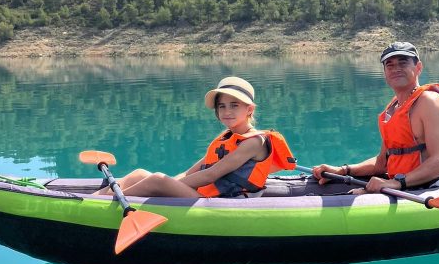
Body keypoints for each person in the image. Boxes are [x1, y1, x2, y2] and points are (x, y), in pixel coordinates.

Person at [95, 76, 295, 199]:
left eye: (235, 105)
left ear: (249, 109)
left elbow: (210, 175)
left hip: (227, 202)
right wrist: (170, 185)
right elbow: (192, 171)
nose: (227, 111)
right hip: (207, 194)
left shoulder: (254, 142)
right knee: (140, 174)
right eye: (222, 106)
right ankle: (93, 200)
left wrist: (164, 186)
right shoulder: (227, 137)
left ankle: (104, 206)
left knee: (157, 179)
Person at [313, 41, 439, 193]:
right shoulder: (393, 109)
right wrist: (344, 170)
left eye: (403, 63)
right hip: (405, 185)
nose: (396, 69)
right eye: (390, 65)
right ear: (385, 73)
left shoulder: (430, 102)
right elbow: (381, 163)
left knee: (358, 193)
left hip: (432, 188)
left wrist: (396, 183)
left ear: (418, 68)